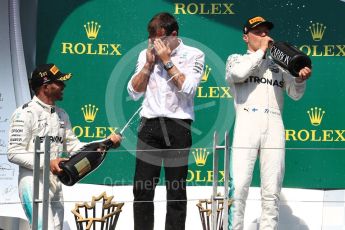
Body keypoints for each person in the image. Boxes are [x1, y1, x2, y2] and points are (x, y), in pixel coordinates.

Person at [7, 63, 122, 230]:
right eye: (59, 82)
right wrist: (48, 162)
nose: (63, 86)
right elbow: (13, 153)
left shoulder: (62, 114)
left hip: (56, 182)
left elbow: (75, 147)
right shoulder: (24, 113)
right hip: (32, 182)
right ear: (45, 87)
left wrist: (106, 143)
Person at [225, 16, 311, 230]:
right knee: (239, 188)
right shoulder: (235, 59)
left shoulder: (279, 66)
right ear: (246, 37)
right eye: (258, 32)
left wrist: (300, 78)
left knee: (271, 190)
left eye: (266, 31)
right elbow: (238, 74)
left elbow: (295, 94)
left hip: (274, 123)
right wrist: (261, 52)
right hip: (247, 123)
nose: (264, 35)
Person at [127, 12, 205, 230]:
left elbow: (188, 90)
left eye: (160, 39)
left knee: (176, 189)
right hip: (149, 125)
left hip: (178, 126)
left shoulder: (194, 54)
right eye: (152, 40)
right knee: (142, 188)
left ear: (174, 35)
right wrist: (148, 66)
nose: (155, 44)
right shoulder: (146, 54)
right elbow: (133, 92)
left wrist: (167, 61)